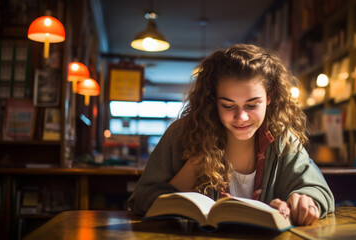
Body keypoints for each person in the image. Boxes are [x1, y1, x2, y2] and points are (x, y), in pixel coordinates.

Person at [128, 44, 334, 226]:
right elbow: (140, 200)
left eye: (252, 105)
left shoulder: (282, 139)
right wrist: (192, 169)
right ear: (213, 99)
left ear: (270, 97)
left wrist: (306, 200)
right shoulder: (181, 134)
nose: (241, 117)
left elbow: (320, 191)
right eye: (227, 105)